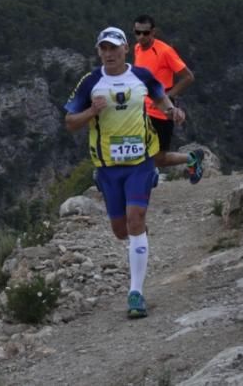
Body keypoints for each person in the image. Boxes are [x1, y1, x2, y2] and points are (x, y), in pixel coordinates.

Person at [63, 26, 185, 319]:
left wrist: (172, 111)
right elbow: (70, 122)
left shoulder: (141, 76)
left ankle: (136, 293)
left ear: (125, 49)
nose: (109, 54)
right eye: (104, 48)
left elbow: (160, 98)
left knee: (135, 220)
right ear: (98, 52)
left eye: (114, 48)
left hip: (140, 162)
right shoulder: (91, 82)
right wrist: (92, 111)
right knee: (121, 231)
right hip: (107, 168)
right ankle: (137, 231)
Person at [131, 15, 203, 184]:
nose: (141, 37)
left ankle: (192, 158)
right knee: (134, 148)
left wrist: (167, 97)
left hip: (161, 112)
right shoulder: (137, 49)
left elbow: (188, 77)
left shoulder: (164, 51)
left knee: (159, 158)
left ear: (153, 32)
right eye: (137, 32)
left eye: (145, 33)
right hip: (141, 109)